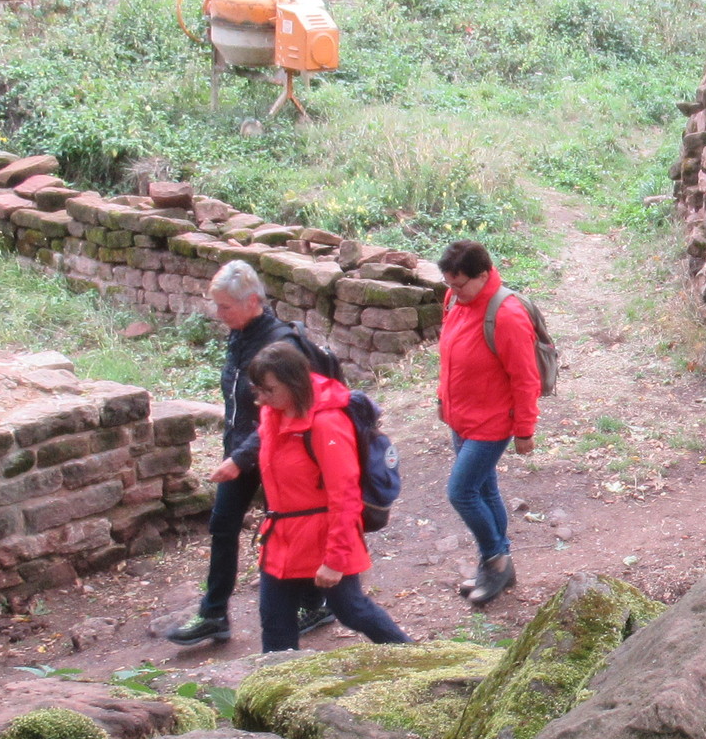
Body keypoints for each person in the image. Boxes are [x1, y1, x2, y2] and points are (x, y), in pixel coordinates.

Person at [165, 259, 336, 646]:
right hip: (241, 450)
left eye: (225, 306)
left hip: (280, 454)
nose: (218, 313)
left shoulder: (283, 346)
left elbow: (289, 413)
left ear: (253, 301)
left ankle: (314, 603)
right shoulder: (239, 335)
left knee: (291, 526)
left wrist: (240, 457)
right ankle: (214, 614)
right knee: (223, 524)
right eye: (217, 305)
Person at [222, 341, 410, 652]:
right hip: (282, 537)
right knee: (274, 620)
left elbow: (345, 496)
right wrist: (238, 460)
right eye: (257, 390)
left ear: (293, 384)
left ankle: (415, 656)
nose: (260, 399)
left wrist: (335, 560)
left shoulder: (326, 425)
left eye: (268, 390)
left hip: (323, 538)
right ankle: (278, 680)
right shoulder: (274, 412)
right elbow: (264, 437)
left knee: (352, 610)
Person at [436, 239, 542, 607]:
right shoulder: (454, 301)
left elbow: (525, 379)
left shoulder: (507, 315)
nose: (453, 291)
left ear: (482, 275)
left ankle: (495, 558)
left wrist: (525, 430)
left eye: (459, 284)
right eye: (449, 283)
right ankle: (500, 565)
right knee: (484, 491)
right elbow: (449, 355)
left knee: (461, 492)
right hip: (461, 417)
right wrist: (442, 399)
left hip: (492, 423)